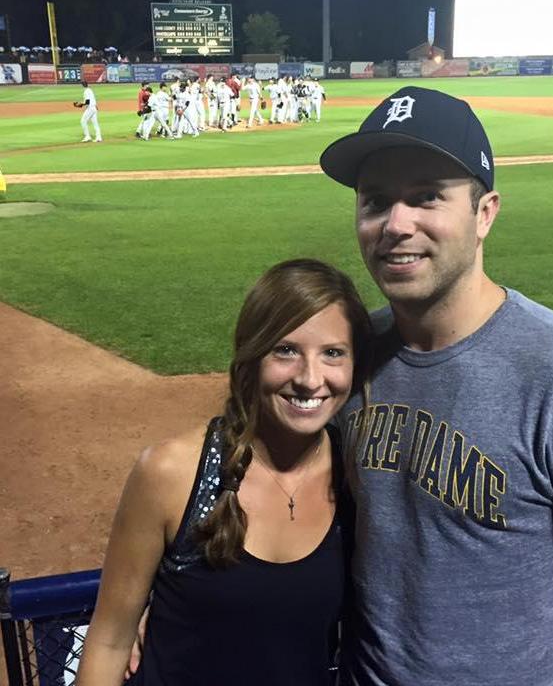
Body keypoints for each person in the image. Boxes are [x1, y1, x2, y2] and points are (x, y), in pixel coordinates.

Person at [318, 86, 553, 685]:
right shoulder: (346, 358)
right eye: (376, 201)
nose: (396, 224)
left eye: (427, 197)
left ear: (484, 213)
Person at [77, 259, 372, 686]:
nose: (311, 379)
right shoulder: (172, 473)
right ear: (251, 356)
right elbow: (108, 643)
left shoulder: (356, 476)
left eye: (333, 353)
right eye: (286, 350)